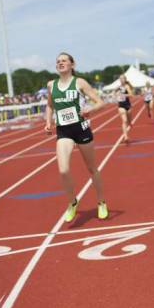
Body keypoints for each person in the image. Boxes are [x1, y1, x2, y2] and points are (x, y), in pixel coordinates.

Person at [44, 52, 108, 222]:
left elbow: (100, 102)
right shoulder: (51, 85)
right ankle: (72, 202)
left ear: (72, 64)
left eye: (64, 61)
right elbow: (49, 106)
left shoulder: (79, 82)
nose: (60, 63)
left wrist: (90, 110)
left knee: (92, 168)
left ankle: (101, 202)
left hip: (81, 129)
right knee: (63, 170)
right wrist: (48, 122)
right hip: (64, 131)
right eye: (58, 61)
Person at [117, 74, 134, 143]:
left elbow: (131, 95)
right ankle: (125, 137)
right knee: (124, 121)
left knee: (129, 121)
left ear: (125, 79)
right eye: (120, 78)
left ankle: (130, 123)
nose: (121, 80)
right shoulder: (118, 87)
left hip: (128, 105)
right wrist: (115, 94)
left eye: (122, 78)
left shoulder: (127, 86)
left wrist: (124, 95)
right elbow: (114, 94)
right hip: (121, 106)